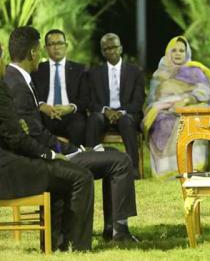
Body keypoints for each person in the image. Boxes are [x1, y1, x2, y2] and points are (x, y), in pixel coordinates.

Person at [4, 26, 139, 243]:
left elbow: (35, 132)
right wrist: (73, 149)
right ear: (32, 53)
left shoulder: (14, 79)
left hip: (43, 154)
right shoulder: (18, 86)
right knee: (120, 160)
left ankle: (112, 229)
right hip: (43, 161)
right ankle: (119, 232)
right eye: (39, 50)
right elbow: (35, 136)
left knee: (111, 154)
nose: (40, 55)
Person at [0, 42, 94, 251]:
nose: (4, 65)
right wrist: (50, 154)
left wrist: (17, 126)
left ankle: (55, 244)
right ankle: (78, 247)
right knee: (81, 176)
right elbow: (16, 138)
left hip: (9, 161)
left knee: (63, 175)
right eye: (2, 58)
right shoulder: (3, 88)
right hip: (7, 172)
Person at [143, 36, 210, 176]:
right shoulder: (160, 74)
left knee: (194, 121)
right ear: (168, 52)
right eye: (174, 50)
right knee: (163, 121)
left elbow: (206, 92)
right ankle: (169, 170)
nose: (178, 53)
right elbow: (152, 101)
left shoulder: (196, 71)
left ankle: (196, 167)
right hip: (164, 111)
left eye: (181, 51)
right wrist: (166, 105)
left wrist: (188, 99)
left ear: (186, 53)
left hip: (190, 107)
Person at [86, 33, 145, 178]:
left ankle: (133, 169)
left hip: (127, 114)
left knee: (126, 121)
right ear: (102, 52)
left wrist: (121, 112)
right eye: (106, 49)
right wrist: (105, 111)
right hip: (103, 115)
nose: (111, 51)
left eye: (114, 47)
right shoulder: (94, 73)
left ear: (121, 48)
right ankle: (93, 168)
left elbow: (138, 101)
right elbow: (90, 101)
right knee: (94, 119)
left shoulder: (135, 71)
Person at [31, 29, 89, 146]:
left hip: (70, 115)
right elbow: (32, 94)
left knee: (79, 125)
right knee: (34, 122)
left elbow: (85, 99)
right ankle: (42, 161)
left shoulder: (80, 69)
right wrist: (42, 106)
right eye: (51, 44)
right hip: (45, 115)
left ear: (66, 46)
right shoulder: (37, 70)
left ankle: (76, 160)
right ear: (46, 48)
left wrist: (69, 108)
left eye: (60, 43)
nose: (56, 47)